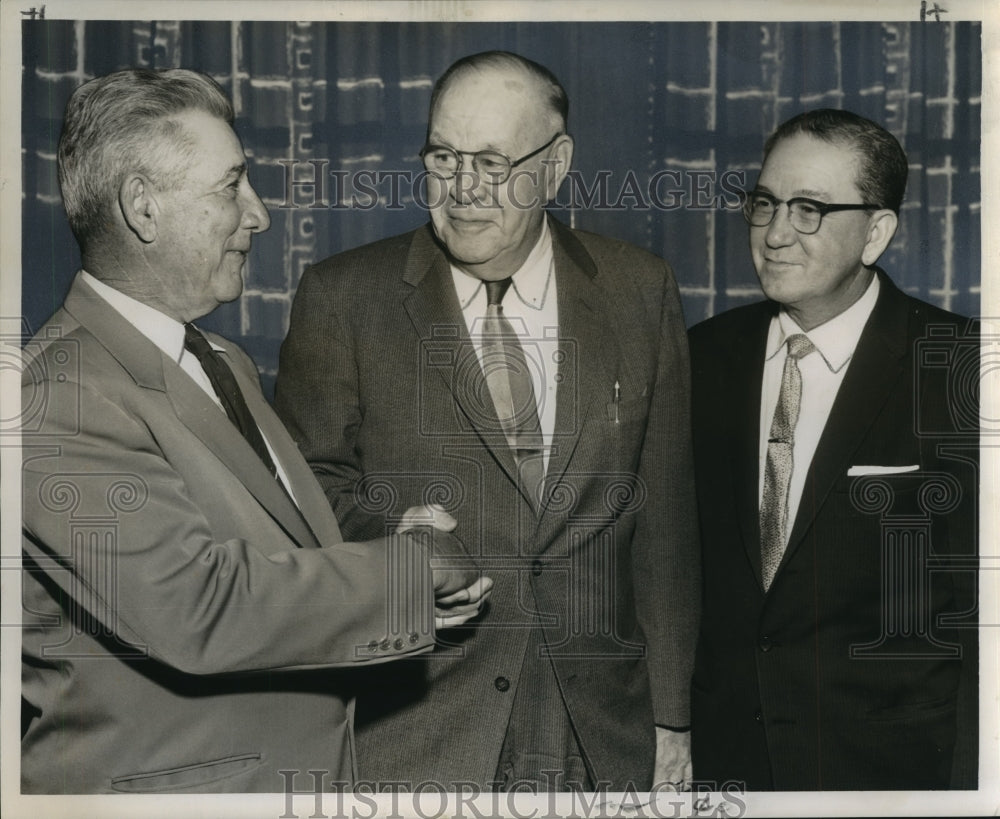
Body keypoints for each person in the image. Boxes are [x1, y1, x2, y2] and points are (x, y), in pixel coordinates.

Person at [20, 67, 490, 794]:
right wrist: (412, 569)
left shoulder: (222, 360)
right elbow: (198, 606)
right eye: (230, 186)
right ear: (143, 208)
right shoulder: (54, 391)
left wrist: (396, 536)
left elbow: (286, 549)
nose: (259, 213)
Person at [275, 50, 700, 792]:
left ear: (558, 162)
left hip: (601, 731)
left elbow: (664, 520)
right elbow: (301, 497)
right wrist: (397, 541)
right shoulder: (343, 296)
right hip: (418, 728)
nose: (463, 188)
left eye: (493, 162)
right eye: (443, 156)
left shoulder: (641, 288)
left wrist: (670, 718)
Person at [689, 108, 978, 790]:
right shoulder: (701, 358)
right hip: (725, 770)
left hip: (895, 775)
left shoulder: (962, 368)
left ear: (876, 232)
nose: (776, 233)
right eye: (765, 203)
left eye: (811, 209)